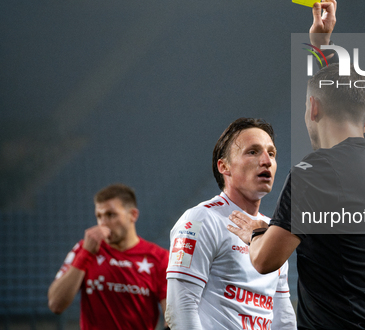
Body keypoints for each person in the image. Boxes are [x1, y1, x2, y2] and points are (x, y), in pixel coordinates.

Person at [228, 0, 365, 329]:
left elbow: (266, 261)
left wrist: (256, 233)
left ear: (313, 108)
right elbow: (354, 101)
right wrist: (322, 47)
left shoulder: (313, 175)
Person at [165, 118, 296, 330]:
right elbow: (181, 308)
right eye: (252, 152)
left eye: (271, 153)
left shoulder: (273, 230)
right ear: (224, 166)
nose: (266, 161)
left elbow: (282, 314)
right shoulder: (199, 220)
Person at [48, 183, 169, 330]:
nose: (103, 223)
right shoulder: (85, 248)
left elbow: (172, 317)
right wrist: (86, 253)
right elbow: (55, 304)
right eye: (99, 216)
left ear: (133, 215)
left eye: (110, 215)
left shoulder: (159, 258)